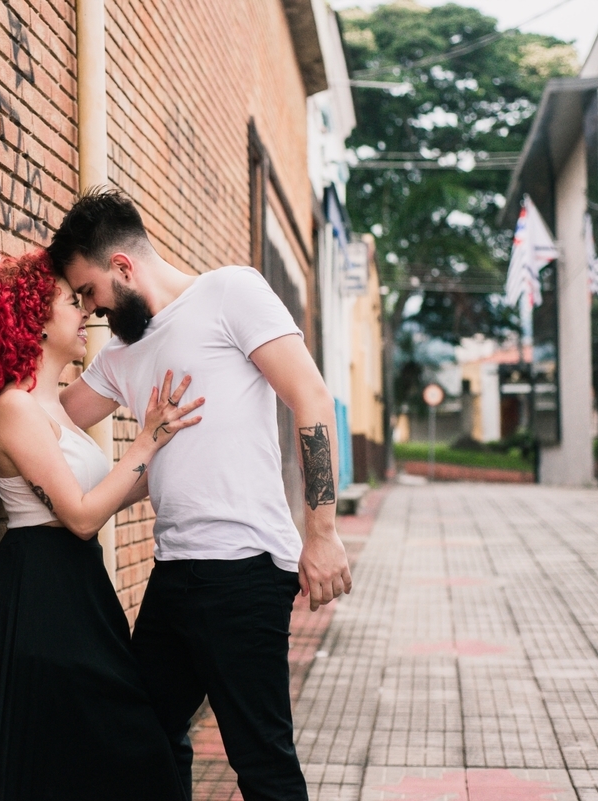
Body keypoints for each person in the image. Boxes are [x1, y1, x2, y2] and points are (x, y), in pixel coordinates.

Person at [48, 188, 353, 801]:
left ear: (123, 267)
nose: (91, 310)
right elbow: (52, 418)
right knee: (144, 736)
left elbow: (312, 400)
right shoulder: (120, 356)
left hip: (243, 571)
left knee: (261, 760)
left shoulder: (229, 293)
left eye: (89, 293)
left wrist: (321, 534)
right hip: (176, 575)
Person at [0, 250, 204, 801]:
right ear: (34, 316)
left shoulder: (54, 407)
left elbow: (103, 497)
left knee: (113, 746)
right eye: (69, 300)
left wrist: (177, 457)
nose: (86, 312)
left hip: (81, 587)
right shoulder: (14, 408)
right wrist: (145, 441)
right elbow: (80, 517)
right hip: (44, 593)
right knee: (99, 746)